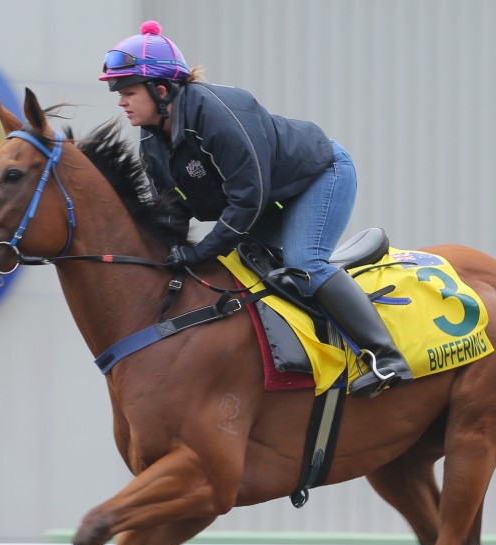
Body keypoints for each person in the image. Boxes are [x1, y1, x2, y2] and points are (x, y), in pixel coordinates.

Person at [99, 20, 412, 398]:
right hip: (266, 198)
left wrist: (200, 251)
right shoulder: (152, 142)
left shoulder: (215, 115)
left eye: (128, 91)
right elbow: (171, 212)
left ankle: (387, 356)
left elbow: (247, 199)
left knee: (305, 262)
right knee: (234, 267)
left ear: (161, 90)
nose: (121, 101)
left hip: (319, 176)